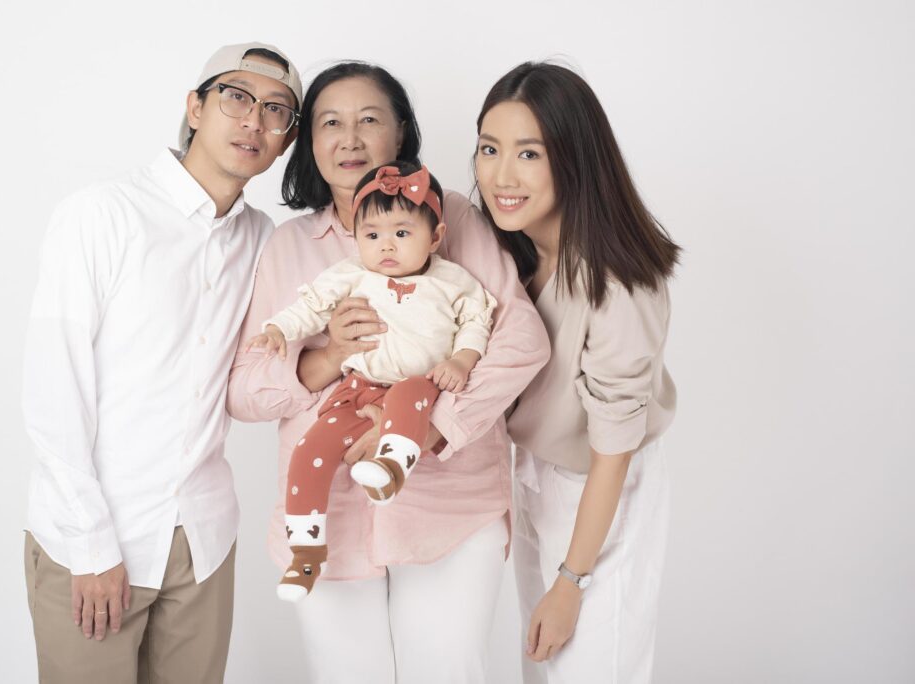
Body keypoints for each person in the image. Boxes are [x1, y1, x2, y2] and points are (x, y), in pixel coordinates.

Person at [227, 62, 549, 683]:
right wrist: (324, 359)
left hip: (450, 507)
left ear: (400, 134)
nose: (349, 138)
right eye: (330, 123)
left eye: (369, 120)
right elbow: (243, 390)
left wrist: (433, 426)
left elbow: (521, 339)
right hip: (328, 516)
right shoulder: (289, 245)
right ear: (309, 143)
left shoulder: (451, 218)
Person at [21, 42, 301, 682]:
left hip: (201, 542)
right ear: (195, 107)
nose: (253, 120)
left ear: (287, 140)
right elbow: (53, 392)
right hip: (92, 537)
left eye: (277, 110)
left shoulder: (264, 241)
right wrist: (90, 545)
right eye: (236, 97)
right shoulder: (100, 215)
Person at [474, 62, 681, 683]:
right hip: (534, 471)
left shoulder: (615, 281)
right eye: (489, 148)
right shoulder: (513, 251)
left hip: (602, 483)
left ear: (574, 159)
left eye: (529, 153)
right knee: (542, 667)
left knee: (594, 668)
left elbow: (612, 450)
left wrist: (571, 579)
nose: (501, 176)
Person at [247, 162, 496, 601]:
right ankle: (305, 555)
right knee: (310, 449)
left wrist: (462, 359)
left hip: (420, 386)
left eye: (402, 234)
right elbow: (312, 306)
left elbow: (478, 319)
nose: (386, 246)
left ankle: (391, 468)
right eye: (372, 234)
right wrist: (278, 329)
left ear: (435, 238)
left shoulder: (452, 279)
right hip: (357, 387)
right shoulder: (352, 274)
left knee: (410, 393)